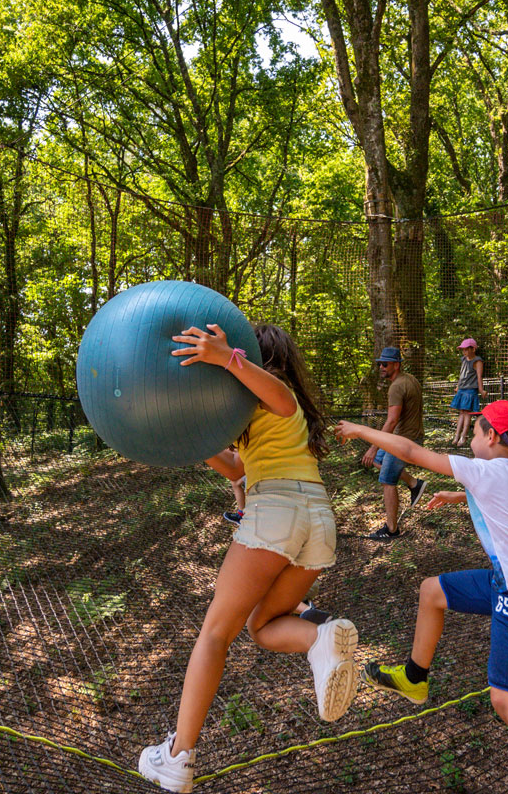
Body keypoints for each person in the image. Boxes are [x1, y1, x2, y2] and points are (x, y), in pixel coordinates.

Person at [138, 322, 359, 793]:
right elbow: (239, 467)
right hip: (317, 521)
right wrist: (194, 447)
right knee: (262, 626)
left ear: (253, 355)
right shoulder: (258, 412)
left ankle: (177, 756)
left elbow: (278, 397)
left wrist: (227, 358)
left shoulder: (271, 393)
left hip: (276, 510)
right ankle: (319, 640)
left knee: (216, 633)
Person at [336, 401, 508, 794]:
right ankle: (414, 679)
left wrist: (362, 431)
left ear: (492, 437)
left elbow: (412, 453)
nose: (471, 441)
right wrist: (457, 496)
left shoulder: (486, 470)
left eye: (476, 433)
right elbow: (502, 503)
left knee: (506, 702)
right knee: (432, 591)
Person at [363, 347, 427, 539]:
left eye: (385, 364)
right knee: (380, 461)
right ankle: (414, 483)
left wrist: (373, 447)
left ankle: (392, 530)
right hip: (405, 436)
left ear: (396, 365)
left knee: (387, 481)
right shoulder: (410, 379)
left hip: (403, 440)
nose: (381, 367)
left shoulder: (397, 386)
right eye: (380, 364)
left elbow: (391, 420)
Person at [449, 339, 485, 446]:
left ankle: (463, 436)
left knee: (467, 413)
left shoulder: (477, 361)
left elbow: (479, 377)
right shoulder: (464, 360)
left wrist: (481, 390)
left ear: (473, 349)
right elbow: (461, 374)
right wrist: (458, 386)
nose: (464, 352)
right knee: (462, 413)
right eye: (462, 349)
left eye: (466, 349)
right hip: (462, 389)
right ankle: (456, 436)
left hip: (470, 390)